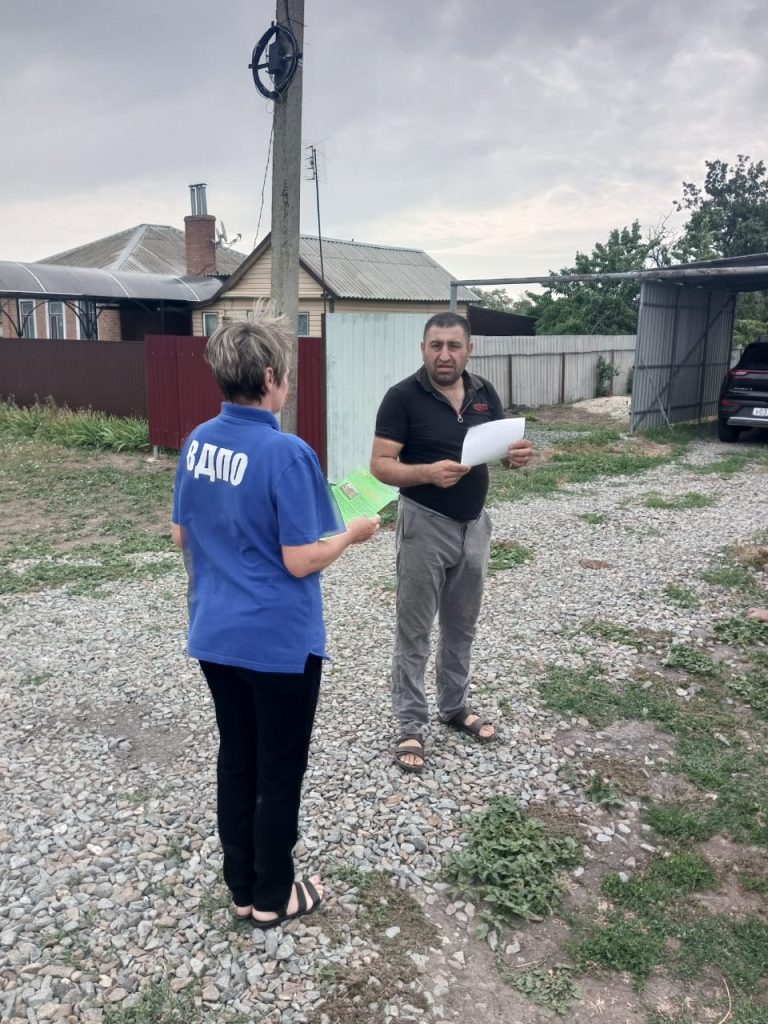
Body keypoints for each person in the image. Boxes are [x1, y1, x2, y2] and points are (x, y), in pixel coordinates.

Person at [172, 314, 379, 928]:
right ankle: (272, 898)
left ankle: (242, 887)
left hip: (215, 633)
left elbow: (182, 533)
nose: (286, 383)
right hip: (278, 643)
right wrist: (353, 534)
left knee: (238, 758)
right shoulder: (289, 452)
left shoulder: (197, 442)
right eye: (285, 374)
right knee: (280, 767)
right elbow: (299, 558)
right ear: (269, 378)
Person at [370, 312, 533, 772]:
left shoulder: (484, 393)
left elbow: (498, 447)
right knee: (415, 629)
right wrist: (427, 473)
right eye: (436, 345)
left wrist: (515, 456)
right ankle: (410, 723)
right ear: (423, 349)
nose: (445, 354)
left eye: (454, 345)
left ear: (469, 350)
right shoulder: (402, 397)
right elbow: (380, 465)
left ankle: (454, 705)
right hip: (424, 524)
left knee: (462, 625)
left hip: (474, 525)